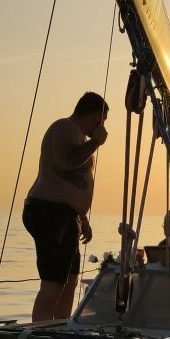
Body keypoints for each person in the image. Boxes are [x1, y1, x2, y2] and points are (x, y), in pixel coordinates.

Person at [23, 91, 109, 322]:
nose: (100, 127)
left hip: (66, 216)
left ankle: (60, 328)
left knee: (70, 280)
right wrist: (95, 142)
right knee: (53, 284)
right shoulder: (65, 128)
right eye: (101, 121)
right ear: (93, 115)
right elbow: (67, 161)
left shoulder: (77, 135)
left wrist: (83, 218)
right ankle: (40, 333)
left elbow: (69, 182)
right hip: (50, 213)